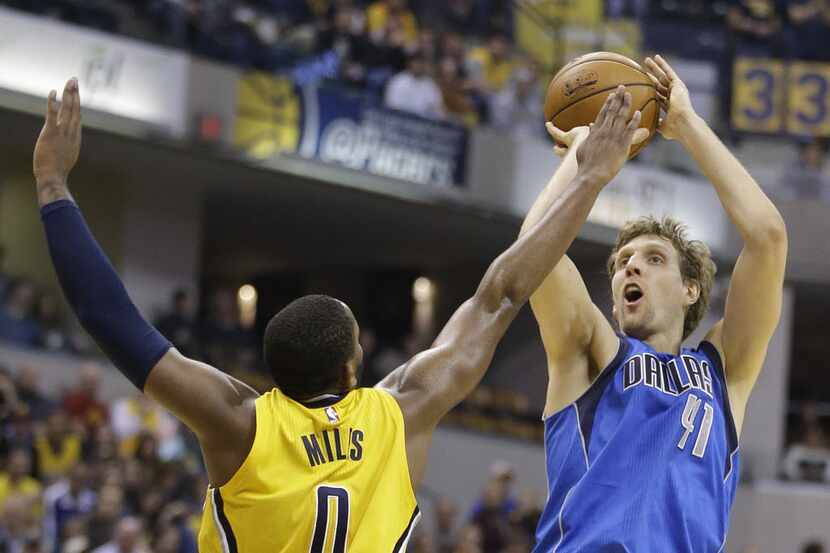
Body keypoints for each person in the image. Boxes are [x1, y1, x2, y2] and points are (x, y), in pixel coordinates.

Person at [32, 78, 643, 550]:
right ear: (353, 369)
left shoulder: (238, 423)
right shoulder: (399, 413)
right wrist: (589, 177)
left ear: (269, 374)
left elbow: (108, 317)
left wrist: (54, 184)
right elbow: (502, 294)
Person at [522, 55, 788, 551]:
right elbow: (533, 252)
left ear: (691, 290)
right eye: (622, 262)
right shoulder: (593, 354)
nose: (630, 267)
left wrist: (688, 126)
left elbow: (768, 238)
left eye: (653, 259)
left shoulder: (723, 370)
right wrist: (584, 170)